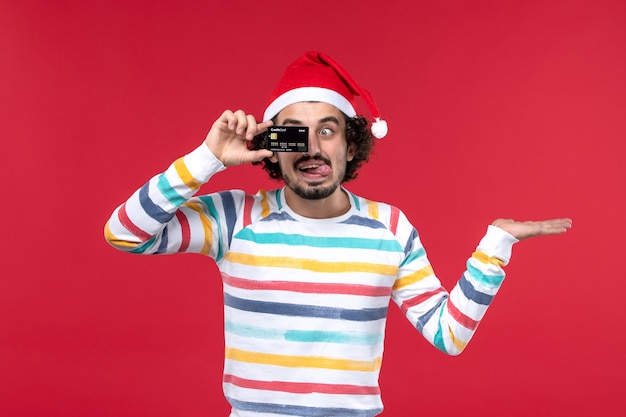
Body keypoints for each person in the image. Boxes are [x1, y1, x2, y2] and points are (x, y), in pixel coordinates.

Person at [104, 52, 571, 417]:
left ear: (350, 143)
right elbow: (125, 233)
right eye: (294, 135)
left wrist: (496, 246)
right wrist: (208, 158)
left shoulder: (390, 229)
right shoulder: (233, 219)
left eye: (326, 131)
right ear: (272, 148)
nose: (311, 147)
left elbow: (448, 335)